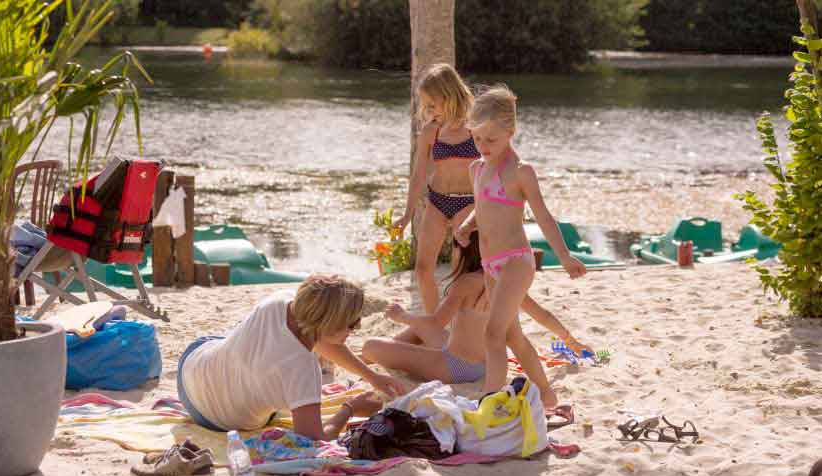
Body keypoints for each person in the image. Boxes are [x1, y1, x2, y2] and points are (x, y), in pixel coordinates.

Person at [455, 85, 587, 401]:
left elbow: (543, 217)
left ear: (510, 132)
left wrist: (565, 256)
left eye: (491, 139)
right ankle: (546, 393)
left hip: (516, 261)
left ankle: (489, 399)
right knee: (513, 335)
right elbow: (482, 208)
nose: (483, 146)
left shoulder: (520, 172)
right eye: (477, 138)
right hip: (490, 264)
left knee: (493, 333)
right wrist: (465, 226)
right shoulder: (477, 168)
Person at [176, 275, 406, 441]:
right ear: (330, 324)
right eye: (352, 323)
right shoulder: (304, 370)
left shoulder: (280, 301)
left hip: (189, 374)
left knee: (232, 342)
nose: (355, 329)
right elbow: (314, 438)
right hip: (220, 423)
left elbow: (321, 338)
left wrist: (371, 376)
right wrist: (350, 408)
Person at [361, 231, 590, 391]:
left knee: (370, 346)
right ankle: (396, 352)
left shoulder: (466, 283)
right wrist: (570, 340)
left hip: (454, 367)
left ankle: (376, 357)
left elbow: (435, 323)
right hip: (487, 368)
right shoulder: (505, 281)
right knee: (418, 331)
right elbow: (543, 316)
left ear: (464, 253)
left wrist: (401, 316)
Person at [393, 63, 479, 314]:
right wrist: (407, 214)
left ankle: (458, 325)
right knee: (422, 270)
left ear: (450, 97)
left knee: (458, 272)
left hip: (468, 203)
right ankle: (434, 323)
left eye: (432, 105)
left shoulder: (476, 130)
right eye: (425, 106)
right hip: (437, 201)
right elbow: (419, 175)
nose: (428, 111)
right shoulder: (431, 132)